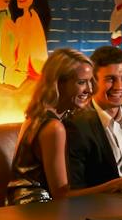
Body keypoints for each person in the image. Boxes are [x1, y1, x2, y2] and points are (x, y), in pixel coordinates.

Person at [60, 44, 122, 195]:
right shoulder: (75, 126)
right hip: (99, 205)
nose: (119, 86)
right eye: (110, 79)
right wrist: (118, 185)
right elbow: (74, 191)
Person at [7, 47, 93, 205]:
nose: (89, 89)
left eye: (90, 81)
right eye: (81, 82)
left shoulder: (36, 116)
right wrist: (114, 186)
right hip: (36, 208)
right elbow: (61, 195)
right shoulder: (53, 127)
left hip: (23, 205)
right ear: (59, 83)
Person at [5, 0, 51, 83]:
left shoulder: (33, 18)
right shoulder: (19, 21)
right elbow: (10, 60)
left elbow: (23, 66)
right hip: (19, 81)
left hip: (31, 84)